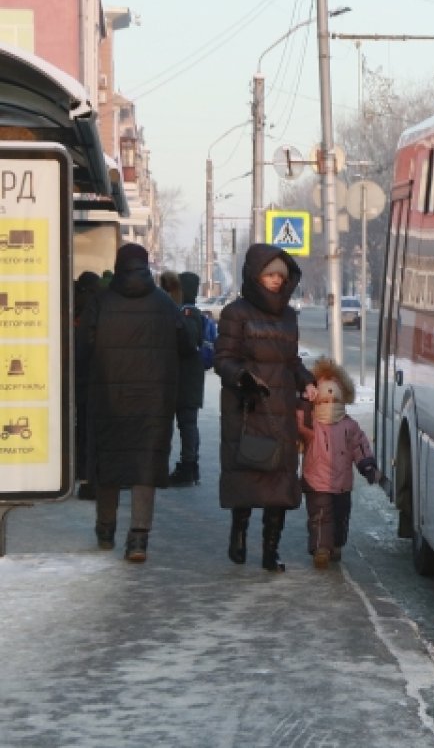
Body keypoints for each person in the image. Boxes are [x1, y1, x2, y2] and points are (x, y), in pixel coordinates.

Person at [80, 243, 191, 562]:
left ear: (118, 265)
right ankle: (139, 540)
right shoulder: (165, 304)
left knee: (108, 462)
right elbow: (186, 344)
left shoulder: (100, 302)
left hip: (108, 398)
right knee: (145, 466)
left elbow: (84, 349)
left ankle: (105, 530)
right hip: (153, 401)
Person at [214, 244, 316, 572]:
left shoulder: (288, 315)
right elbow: (223, 359)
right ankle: (239, 533)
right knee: (247, 475)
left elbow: (291, 360)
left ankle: (271, 550)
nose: (275, 281)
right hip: (248, 406)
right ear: (255, 276)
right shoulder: (236, 313)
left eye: (280, 276)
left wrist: (306, 381)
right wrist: (243, 378)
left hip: (281, 410)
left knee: (280, 482)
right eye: (269, 274)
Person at [296, 356, 380, 569]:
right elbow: (296, 426)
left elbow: (360, 446)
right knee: (320, 516)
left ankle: (336, 544)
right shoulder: (310, 423)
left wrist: (367, 465)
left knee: (341, 516)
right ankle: (320, 549)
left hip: (342, 483)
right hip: (316, 480)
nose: (330, 402)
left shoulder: (349, 426)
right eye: (324, 399)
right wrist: (302, 404)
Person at [165, 271, 207, 486]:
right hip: (187, 379)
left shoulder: (187, 313)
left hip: (185, 380)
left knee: (186, 425)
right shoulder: (190, 312)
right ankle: (190, 467)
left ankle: (188, 467)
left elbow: (188, 343)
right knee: (187, 424)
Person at [72, 271, 102, 501]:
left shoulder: (84, 309)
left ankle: (83, 475)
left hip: (82, 380)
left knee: (83, 431)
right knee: (89, 432)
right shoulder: (98, 307)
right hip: (94, 382)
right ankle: (87, 477)